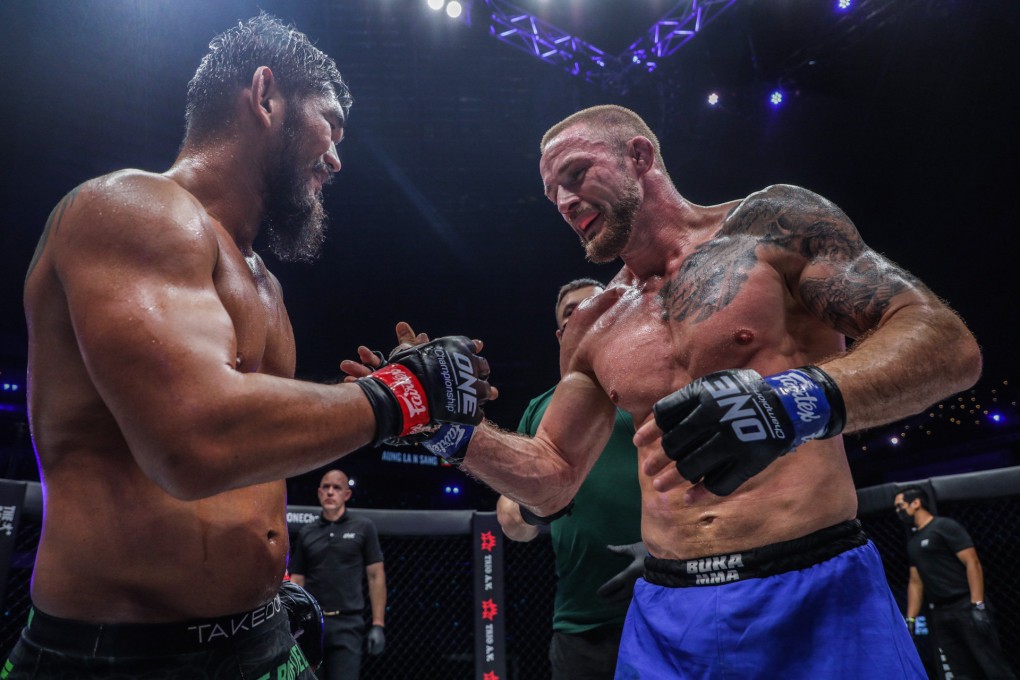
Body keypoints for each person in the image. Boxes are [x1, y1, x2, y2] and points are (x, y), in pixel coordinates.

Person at [378, 104, 982, 677]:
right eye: (551, 192)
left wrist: (791, 400)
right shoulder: (594, 323)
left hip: (813, 584)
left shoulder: (771, 228)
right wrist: (449, 430)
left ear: (639, 156)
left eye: (576, 173)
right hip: (668, 613)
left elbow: (945, 344)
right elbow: (555, 474)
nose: (563, 200)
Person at [6, 13, 490, 679]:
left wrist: (265, 582)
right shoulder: (130, 208)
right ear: (265, 96)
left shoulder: (263, 283)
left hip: (263, 636)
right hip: (120, 656)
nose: (338, 159)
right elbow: (193, 440)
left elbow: (254, 469)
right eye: (330, 124)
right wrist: (400, 396)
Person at [496, 278, 643, 680]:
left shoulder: (651, 391)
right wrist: (537, 504)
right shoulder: (540, 410)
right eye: (572, 311)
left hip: (669, 603)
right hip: (580, 620)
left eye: (597, 306)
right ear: (562, 333)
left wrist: (670, 548)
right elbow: (511, 521)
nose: (586, 315)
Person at [895, 486, 1016, 679]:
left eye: (900, 506)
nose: (898, 512)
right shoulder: (913, 542)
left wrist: (977, 605)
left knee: (992, 666)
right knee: (961, 672)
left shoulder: (944, 526)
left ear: (916, 503)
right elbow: (916, 582)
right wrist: (910, 619)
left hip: (965, 605)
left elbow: (972, 562)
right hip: (940, 614)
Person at [290, 470, 387, 680]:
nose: (330, 492)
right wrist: (293, 623)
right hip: (312, 624)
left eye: (336, 488)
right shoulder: (307, 532)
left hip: (348, 623)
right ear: (318, 492)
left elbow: (376, 576)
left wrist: (378, 624)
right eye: (326, 487)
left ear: (347, 494)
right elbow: (297, 580)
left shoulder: (363, 527)